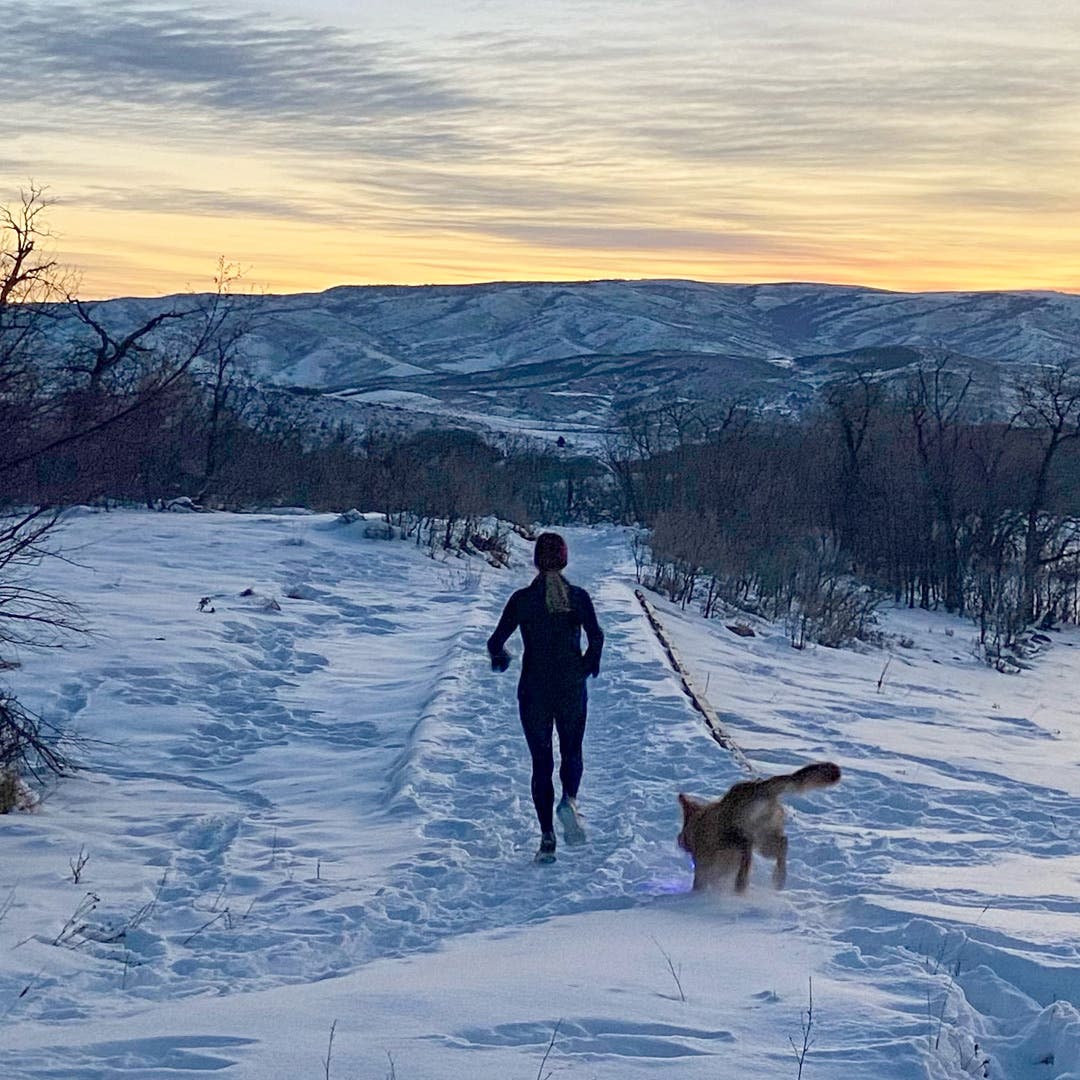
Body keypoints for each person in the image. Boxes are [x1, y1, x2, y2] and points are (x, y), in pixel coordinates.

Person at [487, 532, 604, 864]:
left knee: (541, 763)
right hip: (570, 688)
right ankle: (569, 801)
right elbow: (597, 636)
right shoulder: (578, 598)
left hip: (534, 690)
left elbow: (495, 641)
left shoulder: (522, 600)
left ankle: (547, 838)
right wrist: (587, 665)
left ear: (536, 561)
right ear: (565, 560)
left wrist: (501, 658)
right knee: (571, 752)